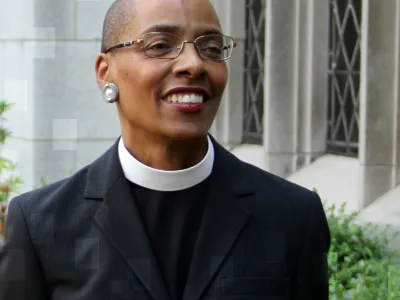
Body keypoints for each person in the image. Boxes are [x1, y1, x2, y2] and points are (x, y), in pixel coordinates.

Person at [0, 0, 331, 299]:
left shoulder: (293, 217)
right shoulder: (42, 225)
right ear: (105, 72)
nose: (194, 64)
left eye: (212, 48)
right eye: (160, 45)